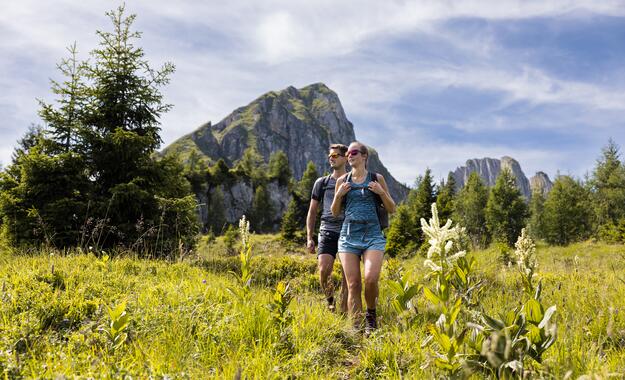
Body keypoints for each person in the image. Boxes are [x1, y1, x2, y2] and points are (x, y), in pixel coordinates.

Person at [331, 141, 396, 332]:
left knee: (370, 278)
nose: (349, 155)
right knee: (353, 284)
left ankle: (371, 315)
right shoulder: (341, 181)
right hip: (348, 236)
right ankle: (357, 328)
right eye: (348, 153)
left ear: (364, 156)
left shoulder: (376, 178)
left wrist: (381, 192)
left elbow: (392, 208)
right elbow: (334, 212)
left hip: (373, 235)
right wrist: (338, 195)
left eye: (354, 152)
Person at [307, 144, 349, 312]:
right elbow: (312, 211)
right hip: (327, 229)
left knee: (348, 275)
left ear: (346, 158)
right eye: (330, 155)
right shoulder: (321, 183)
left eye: (336, 155)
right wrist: (309, 237)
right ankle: (330, 302)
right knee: (324, 270)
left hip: (348, 230)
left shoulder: (352, 180)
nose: (332, 158)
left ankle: (345, 308)